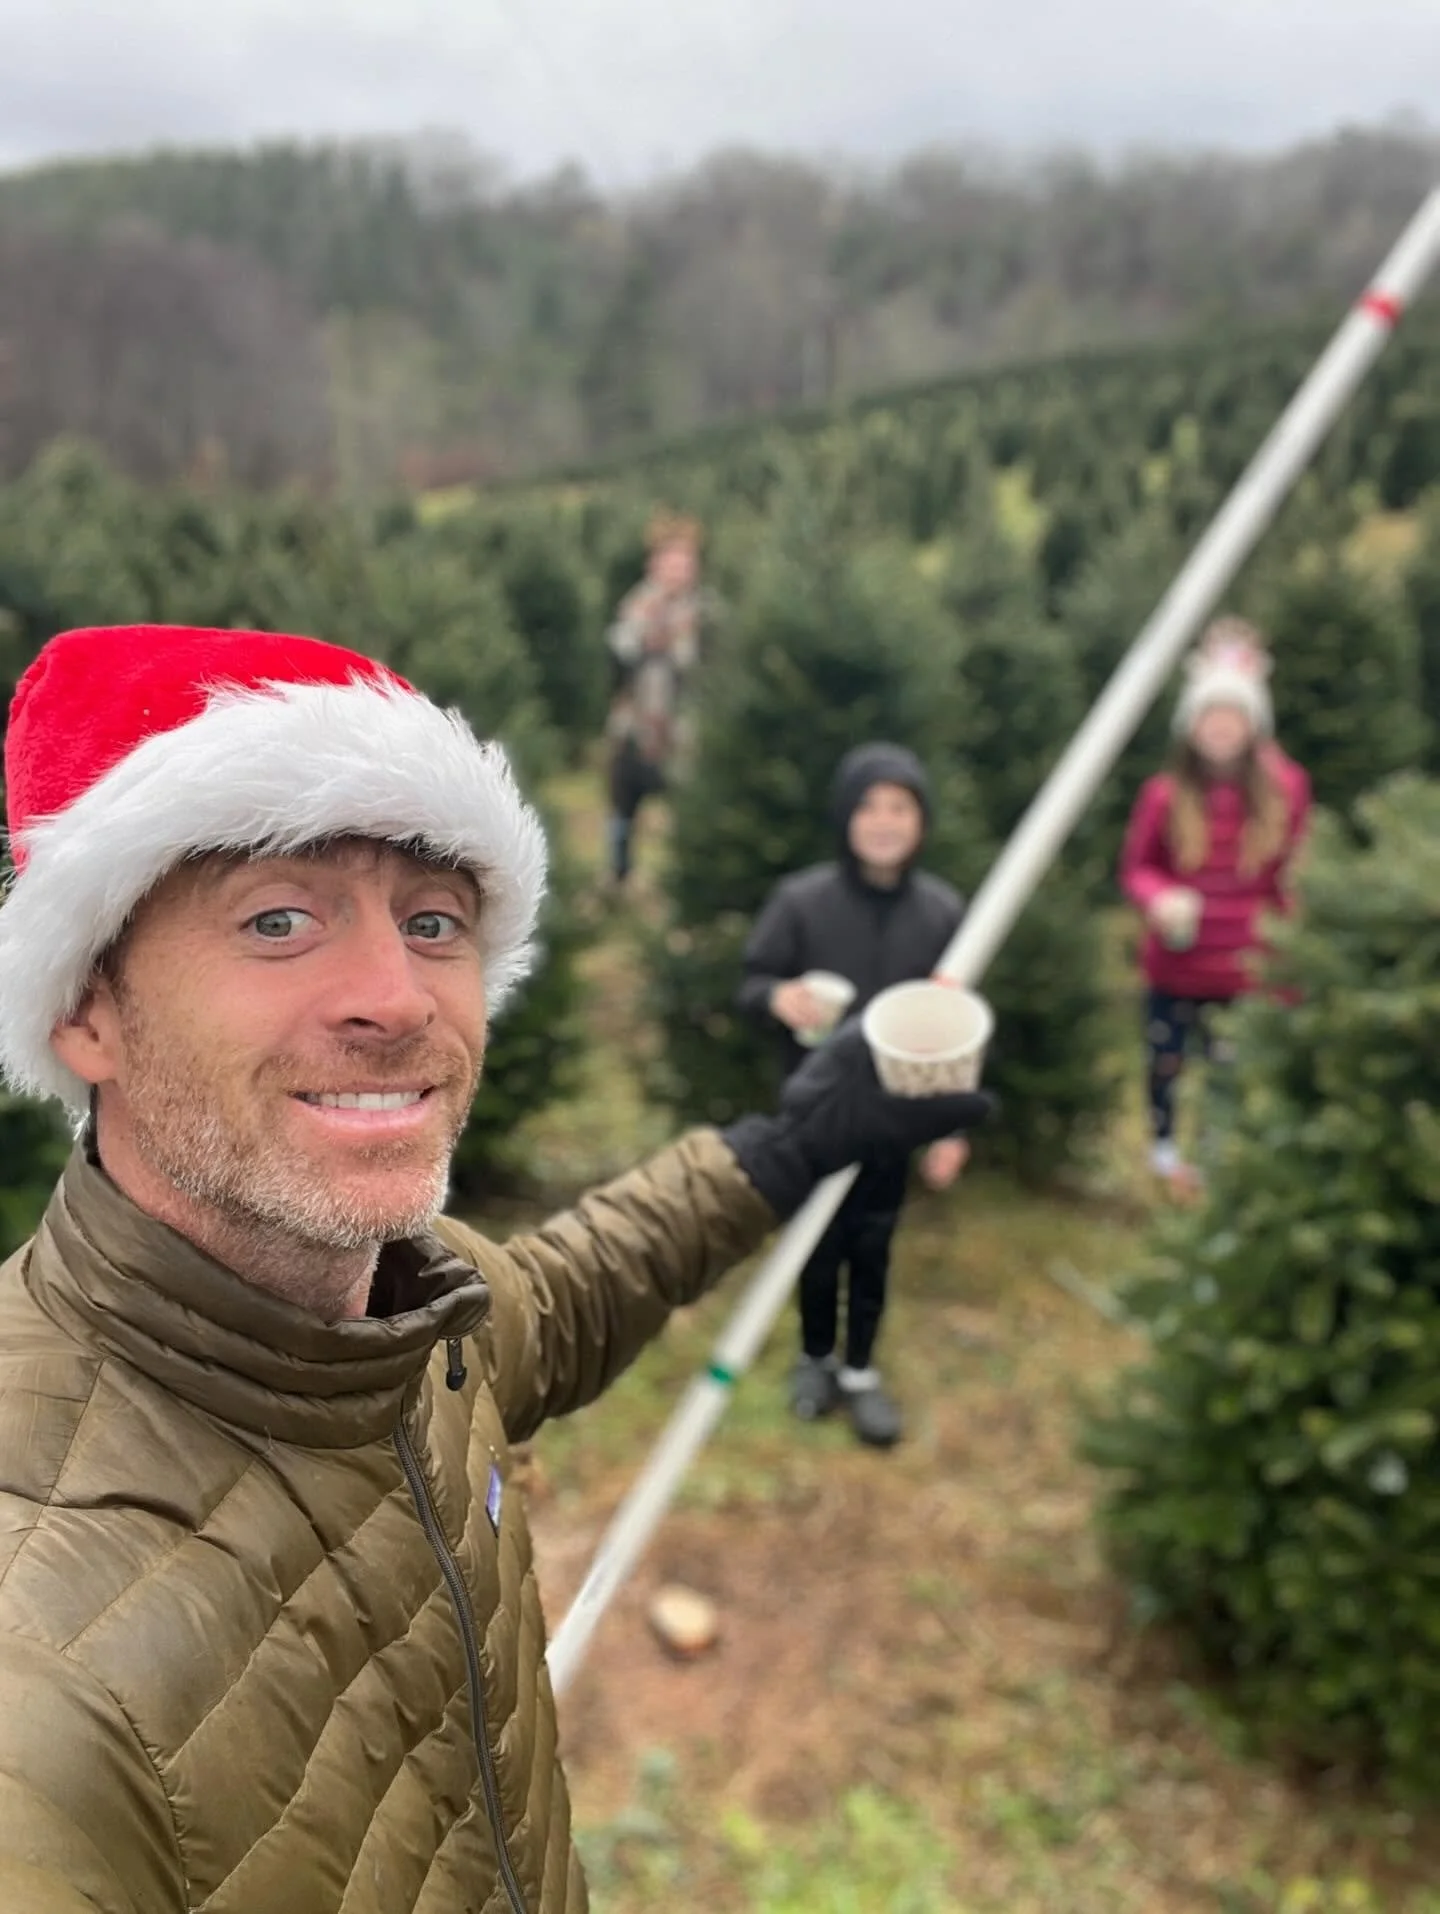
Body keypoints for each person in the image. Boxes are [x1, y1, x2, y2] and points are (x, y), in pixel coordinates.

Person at [0, 624, 992, 1914]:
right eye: (281, 918)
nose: (399, 998)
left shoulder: (414, 1308)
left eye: (435, 922)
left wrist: (794, 1140)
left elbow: (564, 1295)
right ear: (85, 1009)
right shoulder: (43, 1691)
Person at [737, 743, 972, 1448]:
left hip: (897, 1112)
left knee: (872, 1237)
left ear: (920, 822)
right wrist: (782, 997)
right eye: (869, 807)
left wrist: (952, 1127)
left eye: (899, 808)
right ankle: (814, 1359)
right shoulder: (801, 902)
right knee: (818, 1238)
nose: (883, 822)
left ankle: (862, 1367)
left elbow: (959, 1024)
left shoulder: (941, 913)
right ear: (846, 817)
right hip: (818, 1108)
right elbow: (750, 985)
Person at [1120, 618, 1311, 1197]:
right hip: (1177, 965)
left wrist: (1293, 954)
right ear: (1190, 725)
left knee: (1229, 1069)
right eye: (1210, 714)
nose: (1222, 727)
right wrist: (1161, 899)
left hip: (1248, 968)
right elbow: (1136, 867)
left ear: (1254, 725)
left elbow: (1296, 876)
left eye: (1234, 715)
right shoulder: (1163, 794)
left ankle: (1213, 1159)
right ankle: (1164, 1154)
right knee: (1168, 1062)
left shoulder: (1286, 790)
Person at [603, 512, 710, 889]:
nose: (678, 572)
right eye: (672, 563)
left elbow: (706, 664)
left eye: (686, 564)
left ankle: (687, 873)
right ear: (655, 565)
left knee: (685, 800)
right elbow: (619, 654)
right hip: (634, 724)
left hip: (683, 728)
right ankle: (619, 874)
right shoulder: (636, 606)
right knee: (623, 802)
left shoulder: (704, 611)